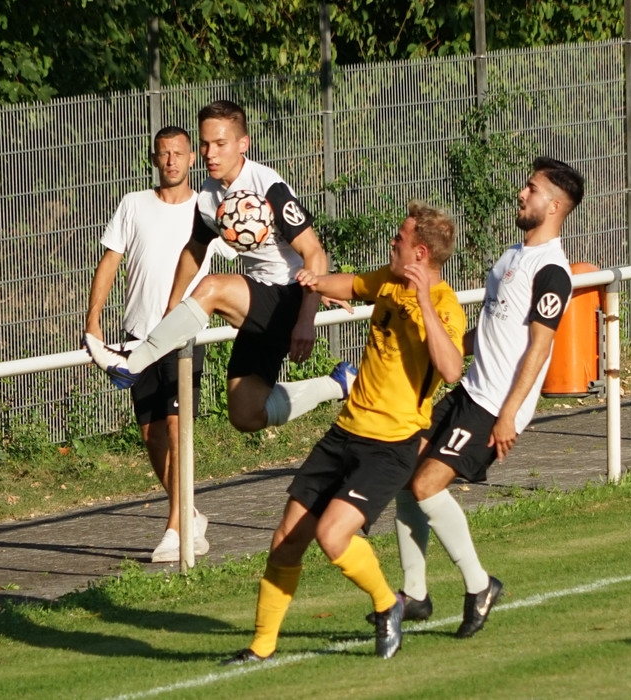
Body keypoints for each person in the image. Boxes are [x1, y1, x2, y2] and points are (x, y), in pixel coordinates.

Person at [221, 200, 467, 665]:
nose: (392, 242)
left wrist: (423, 305)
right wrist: (313, 282)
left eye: (399, 238)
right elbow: (352, 284)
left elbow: (452, 369)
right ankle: (261, 647)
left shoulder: (444, 305)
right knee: (287, 539)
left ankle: (388, 605)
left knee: (333, 536)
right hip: (345, 432)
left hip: (389, 447)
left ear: (419, 253)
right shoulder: (389, 281)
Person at [386, 156, 585, 638]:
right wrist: (451, 347)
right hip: (469, 390)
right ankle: (415, 594)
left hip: (493, 404)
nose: (521, 193)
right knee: (404, 473)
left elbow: (539, 348)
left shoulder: (552, 270)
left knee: (426, 485)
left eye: (531, 188)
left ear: (554, 206)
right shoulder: (511, 256)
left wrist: (510, 414)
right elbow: (495, 331)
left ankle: (479, 586)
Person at [85, 99, 356, 436]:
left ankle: (132, 362)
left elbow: (315, 253)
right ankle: (339, 383)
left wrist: (306, 318)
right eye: (205, 144)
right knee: (246, 414)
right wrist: (171, 310)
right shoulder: (209, 195)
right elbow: (193, 252)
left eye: (220, 144)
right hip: (259, 303)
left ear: (243, 144)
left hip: (287, 298)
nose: (210, 154)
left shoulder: (267, 186)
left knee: (212, 288)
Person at [84, 125, 230, 562]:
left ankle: (174, 527)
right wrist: (93, 319)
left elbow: (243, 255)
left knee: (176, 427)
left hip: (184, 336)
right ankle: (190, 514)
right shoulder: (133, 205)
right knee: (151, 434)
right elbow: (110, 262)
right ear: (154, 159)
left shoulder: (207, 210)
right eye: (164, 154)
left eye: (178, 153)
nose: (171, 161)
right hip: (137, 337)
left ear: (191, 158)